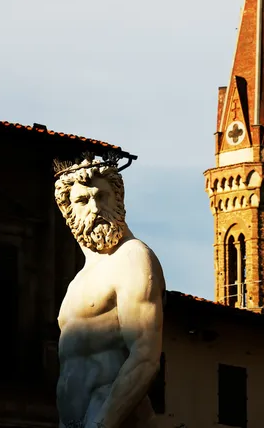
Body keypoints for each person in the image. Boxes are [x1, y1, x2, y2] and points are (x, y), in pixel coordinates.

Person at [54, 158, 165, 428]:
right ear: (68, 210)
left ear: (118, 199)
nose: (95, 208)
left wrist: (104, 422)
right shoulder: (79, 280)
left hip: (110, 419)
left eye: (102, 196)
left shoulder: (132, 257)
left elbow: (145, 356)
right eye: (82, 201)